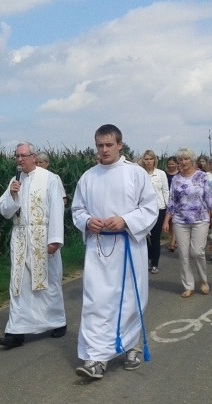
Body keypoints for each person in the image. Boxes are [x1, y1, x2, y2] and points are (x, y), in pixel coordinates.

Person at [71, 124, 157, 380]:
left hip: (129, 245)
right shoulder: (88, 176)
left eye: (109, 145)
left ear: (120, 145)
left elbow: (150, 208)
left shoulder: (135, 173)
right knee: (96, 301)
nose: (104, 150)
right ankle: (96, 358)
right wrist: (87, 221)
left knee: (130, 298)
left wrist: (126, 220)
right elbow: (77, 209)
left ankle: (131, 347)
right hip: (98, 247)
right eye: (100, 145)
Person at [0, 142, 67, 348]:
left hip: (42, 236)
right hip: (20, 237)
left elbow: (56, 209)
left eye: (23, 156)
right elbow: (5, 210)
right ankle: (16, 331)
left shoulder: (50, 179)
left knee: (48, 281)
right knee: (19, 284)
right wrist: (11, 194)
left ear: (34, 157)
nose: (19, 160)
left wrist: (55, 239)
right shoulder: (15, 181)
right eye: (17, 156)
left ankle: (57, 321)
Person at [163, 147, 212, 298]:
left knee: (197, 252)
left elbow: (209, 198)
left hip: (200, 219)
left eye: (186, 159)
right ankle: (188, 286)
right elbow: (172, 201)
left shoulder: (201, 176)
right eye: (181, 159)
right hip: (180, 220)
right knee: (184, 254)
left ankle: (203, 280)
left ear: (192, 160)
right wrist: (167, 220)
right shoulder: (176, 179)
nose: (183, 162)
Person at [140, 150, 170, 273]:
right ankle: (149, 258)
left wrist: (168, 209)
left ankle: (155, 263)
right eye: (146, 159)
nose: (148, 161)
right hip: (144, 209)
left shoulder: (161, 174)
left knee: (155, 237)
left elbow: (165, 191)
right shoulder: (140, 173)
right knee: (144, 236)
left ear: (154, 160)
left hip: (159, 208)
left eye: (151, 159)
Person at [164, 156, 179, 252]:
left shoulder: (179, 174)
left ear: (176, 164)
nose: (171, 166)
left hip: (177, 199)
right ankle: (173, 238)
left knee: (174, 221)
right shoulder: (164, 174)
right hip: (166, 199)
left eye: (173, 164)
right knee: (168, 221)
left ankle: (173, 242)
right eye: (169, 164)